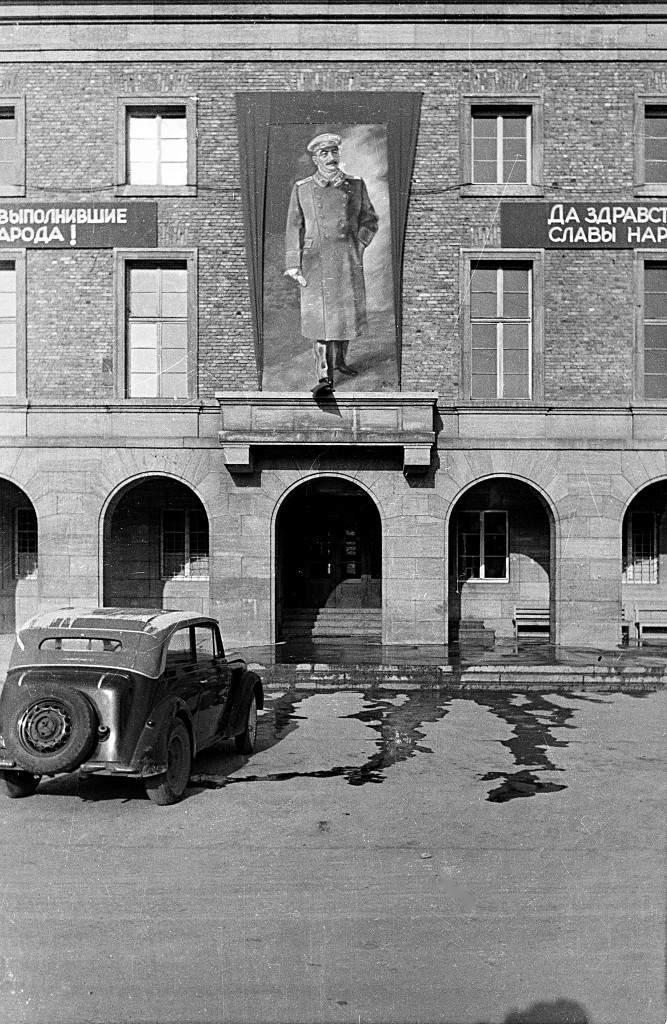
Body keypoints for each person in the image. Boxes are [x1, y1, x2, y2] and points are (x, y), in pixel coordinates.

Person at [284, 132, 379, 388]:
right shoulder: (303, 188)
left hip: (346, 258)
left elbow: (369, 220)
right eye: (324, 154)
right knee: (320, 318)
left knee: (345, 314)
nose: (330, 158)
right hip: (315, 261)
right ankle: (324, 373)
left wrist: (357, 246)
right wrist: (293, 263)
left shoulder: (356, 185)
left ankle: (339, 362)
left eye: (334, 152)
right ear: (315, 159)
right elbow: (294, 227)